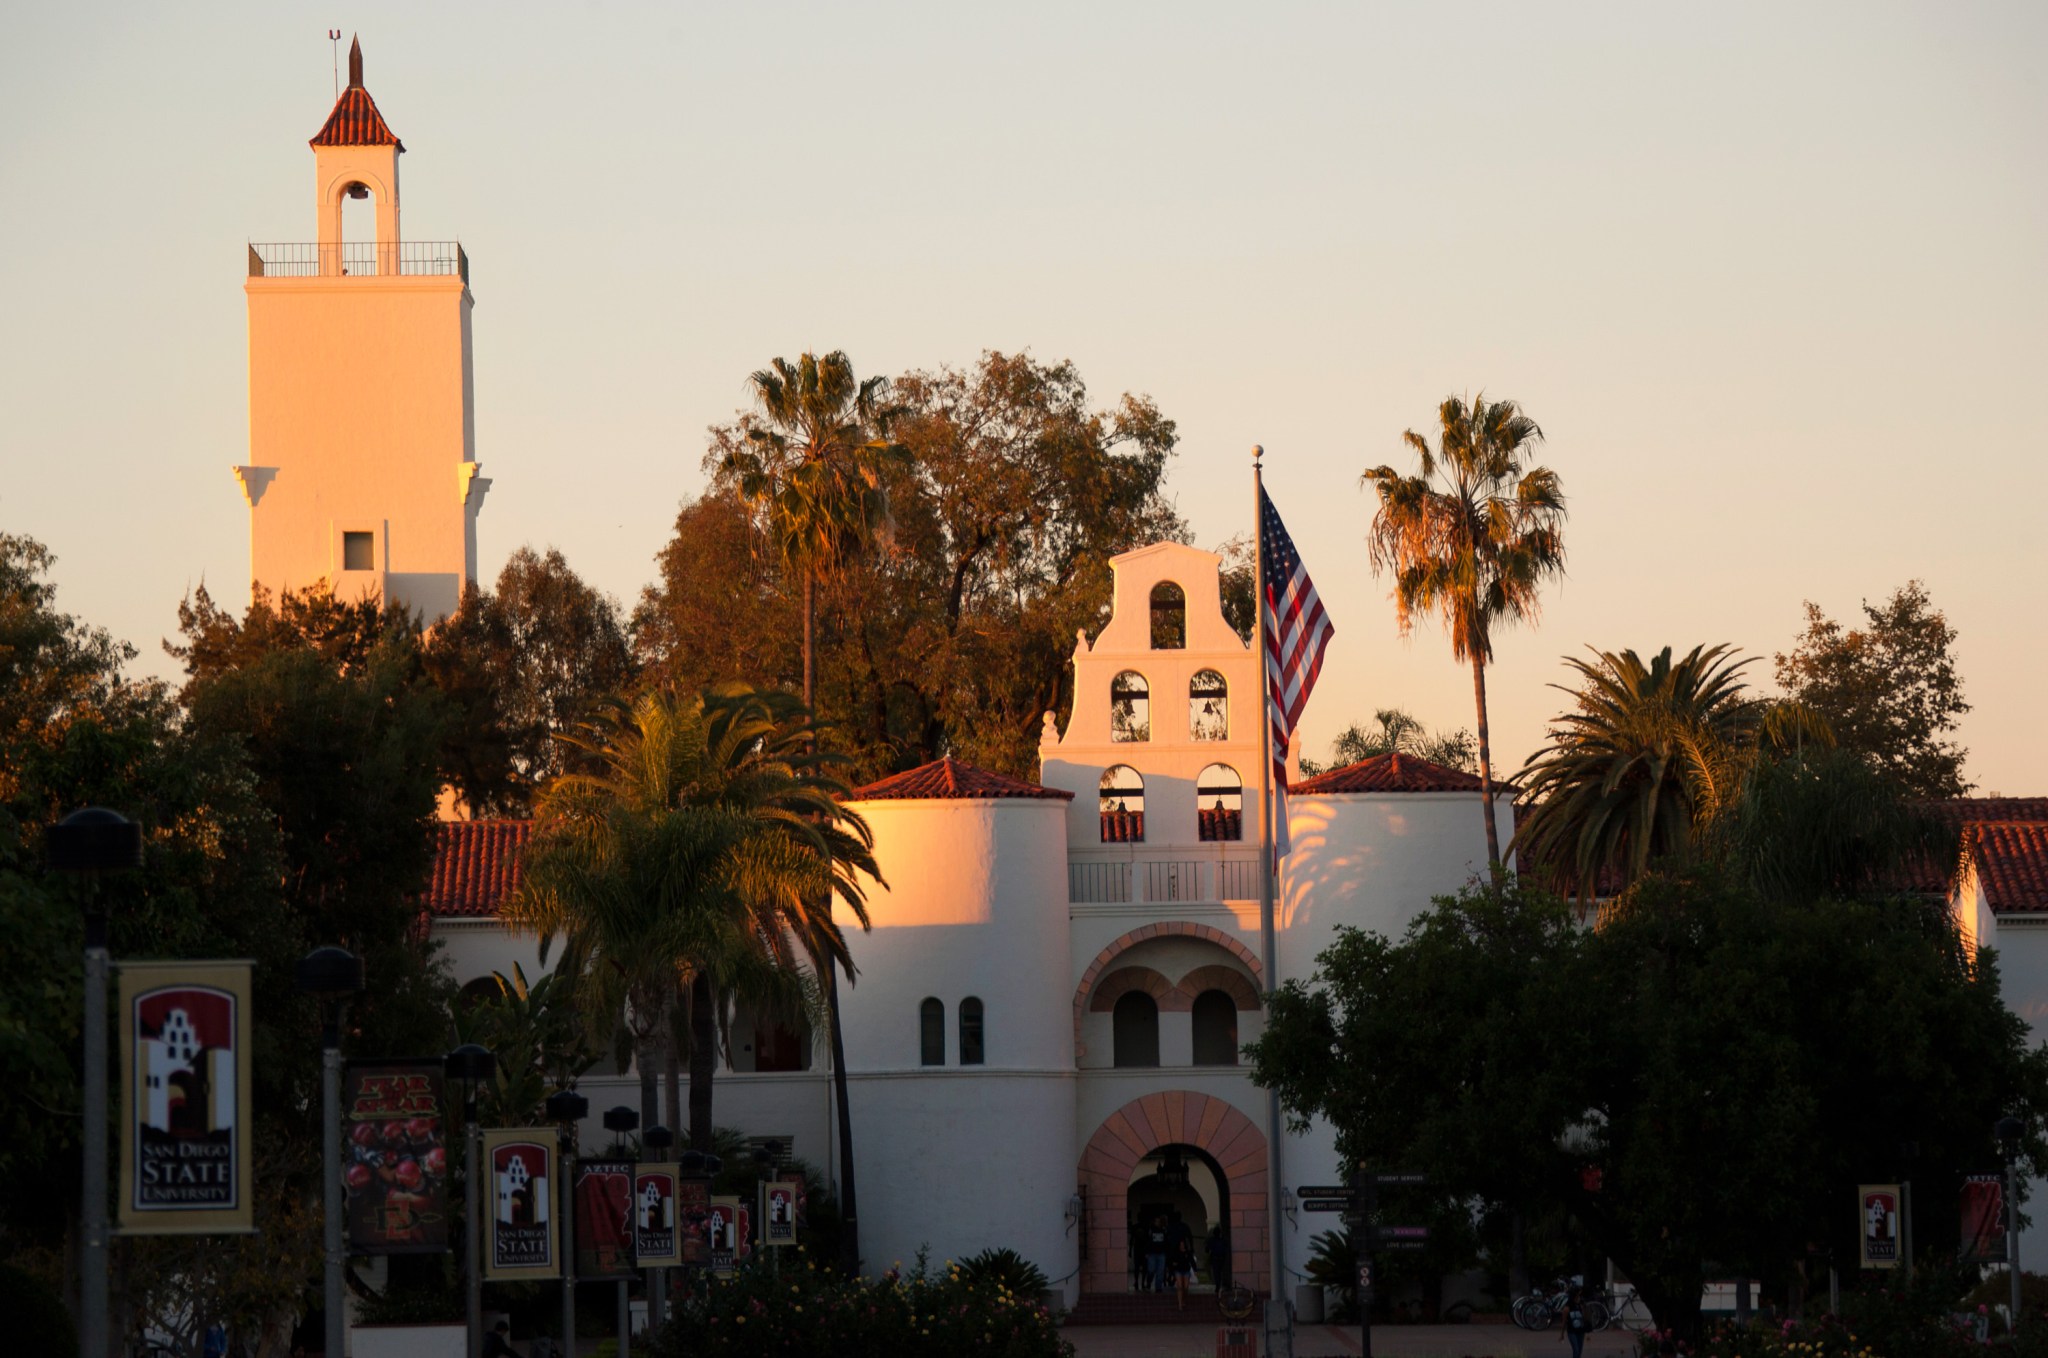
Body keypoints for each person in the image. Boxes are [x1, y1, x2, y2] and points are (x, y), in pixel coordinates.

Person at [1559, 1283, 1589, 1358]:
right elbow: (1564, 1321)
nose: (1580, 1296)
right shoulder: (1568, 1307)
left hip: (1581, 1330)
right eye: (1579, 1294)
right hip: (1572, 1331)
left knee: (1579, 1350)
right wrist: (1562, 1334)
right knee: (1576, 1349)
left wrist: (1584, 1309)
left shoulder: (1581, 1304)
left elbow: (1585, 1318)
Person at [1144, 1212, 1169, 1294]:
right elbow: (1147, 1241)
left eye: (1159, 1221)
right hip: (1152, 1253)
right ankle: (1148, 1282)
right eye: (1156, 1221)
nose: (1158, 1223)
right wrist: (1147, 1252)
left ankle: (1158, 1287)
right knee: (1151, 1270)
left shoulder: (1164, 1230)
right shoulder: (1151, 1230)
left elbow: (1166, 1241)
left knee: (1160, 1271)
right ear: (1154, 1222)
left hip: (1161, 1253)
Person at [1171, 1232, 1197, 1310]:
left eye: (1183, 1245)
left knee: (1185, 1287)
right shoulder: (1176, 1253)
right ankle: (1179, 1304)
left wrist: (1195, 1270)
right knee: (1180, 1287)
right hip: (1178, 1271)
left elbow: (1192, 1261)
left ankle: (1183, 1300)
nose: (1182, 1246)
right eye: (1181, 1245)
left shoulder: (1188, 1253)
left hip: (1186, 1271)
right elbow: (1173, 1262)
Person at [1206, 1224, 1230, 1289]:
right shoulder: (1223, 1240)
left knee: (1216, 1272)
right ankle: (1223, 1283)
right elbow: (1226, 1248)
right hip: (1222, 1258)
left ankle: (1218, 1285)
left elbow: (1207, 1249)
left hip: (1215, 1258)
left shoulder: (1211, 1240)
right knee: (1221, 1272)